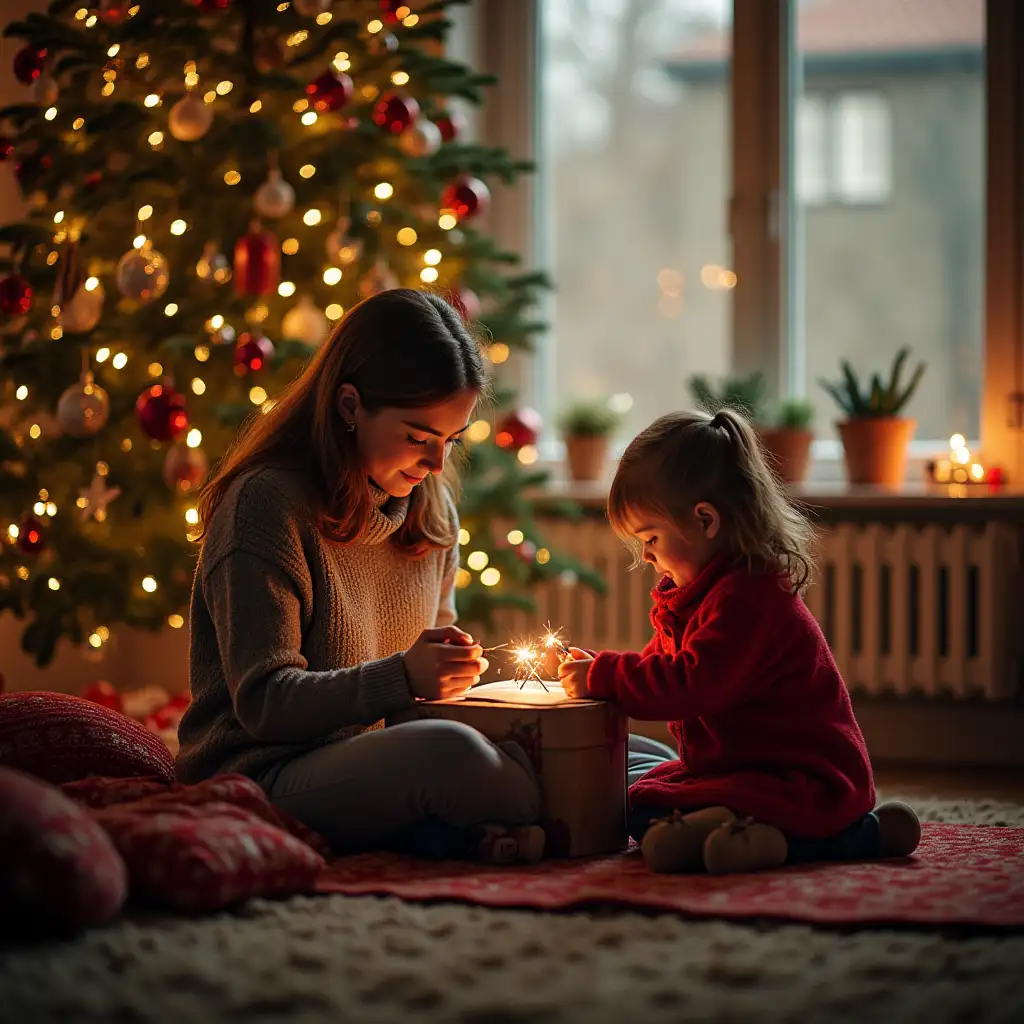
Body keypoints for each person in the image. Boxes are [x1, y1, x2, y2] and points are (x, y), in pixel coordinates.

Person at [176, 289, 544, 865]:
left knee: (618, 744)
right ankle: (562, 803)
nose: (435, 464)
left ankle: (530, 801)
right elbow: (265, 704)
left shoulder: (431, 509)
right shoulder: (265, 506)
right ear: (350, 405)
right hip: (265, 772)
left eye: (450, 440)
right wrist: (402, 676)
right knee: (453, 756)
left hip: (376, 755)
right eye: (419, 437)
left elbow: (426, 694)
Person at [558, 407, 922, 875]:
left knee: (649, 805)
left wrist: (607, 675)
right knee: (638, 801)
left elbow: (692, 683)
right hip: (738, 769)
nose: (646, 557)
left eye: (650, 538)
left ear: (706, 520)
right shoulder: (704, 593)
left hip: (796, 778)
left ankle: (851, 835)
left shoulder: (749, 599)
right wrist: (602, 668)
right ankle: (727, 828)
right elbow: (664, 662)